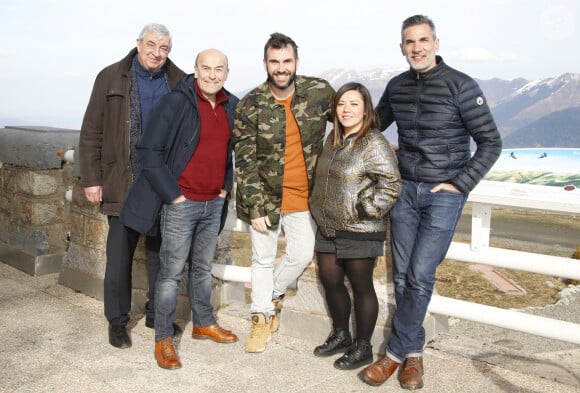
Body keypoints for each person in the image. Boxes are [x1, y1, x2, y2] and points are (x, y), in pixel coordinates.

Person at [358, 15, 502, 390]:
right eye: (410, 42)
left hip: (443, 196)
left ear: (436, 43)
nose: (417, 48)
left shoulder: (461, 86)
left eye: (423, 40)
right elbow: (372, 126)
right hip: (405, 191)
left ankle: (392, 356)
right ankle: (414, 357)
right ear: (402, 47)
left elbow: (491, 142)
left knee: (420, 275)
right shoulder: (398, 86)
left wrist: (460, 183)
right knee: (404, 276)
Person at [120, 49, 239, 369]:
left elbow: (230, 152)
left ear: (227, 72)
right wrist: (174, 196)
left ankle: (203, 322)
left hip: (213, 203)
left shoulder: (232, 105)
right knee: (170, 275)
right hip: (181, 204)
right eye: (206, 68)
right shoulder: (176, 102)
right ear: (196, 70)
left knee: (202, 269)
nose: (213, 75)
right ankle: (163, 339)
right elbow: (148, 151)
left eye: (219, 69)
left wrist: (226, 187)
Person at [78, 23, 185, 349]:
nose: (157, 52)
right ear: (138, 44)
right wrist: (92, 179)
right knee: (119, 257)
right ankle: (118, 322)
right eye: (151, 45)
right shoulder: (110, 77)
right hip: (122, 181)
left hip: (163, 184)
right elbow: (91, 131)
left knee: (161, 257)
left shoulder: (180, 82)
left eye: (164, 47)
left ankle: (157, 314)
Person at [233, 32, 335, 353]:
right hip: (264, 199)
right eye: (274, 62)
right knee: (261, 259)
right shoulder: (251, 104)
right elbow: (245, 161)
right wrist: (254, 206)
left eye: (286, 61)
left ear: (296, 62)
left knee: (303, 253)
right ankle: (261, 317)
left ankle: (272, 293)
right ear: (265, 63)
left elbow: (349, 122)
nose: (281, 68)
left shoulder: (318, 93)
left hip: (305, 198)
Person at [309, 82, 402, 370]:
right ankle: (341, 335)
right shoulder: (332, 139)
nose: (346, 110)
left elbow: (391, 184)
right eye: (341, 104)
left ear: (365, 109)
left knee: (361, 286)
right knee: (330, 280)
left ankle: (363, 347)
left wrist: (365, 209)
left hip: (360, 227)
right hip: (329, 225)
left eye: (353, 104)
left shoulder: (373, 142)